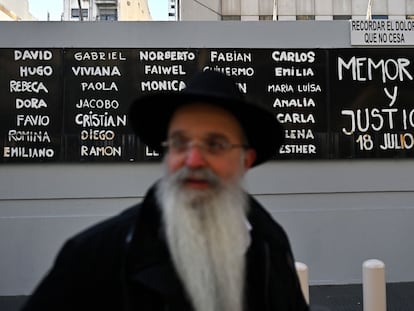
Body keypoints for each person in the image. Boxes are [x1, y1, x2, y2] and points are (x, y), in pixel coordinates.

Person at [22, 71, 309, 311]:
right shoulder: (95, 255)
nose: (193, 161)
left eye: (215, 144)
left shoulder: (271, 244)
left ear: (245, 161)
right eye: (180, 143)